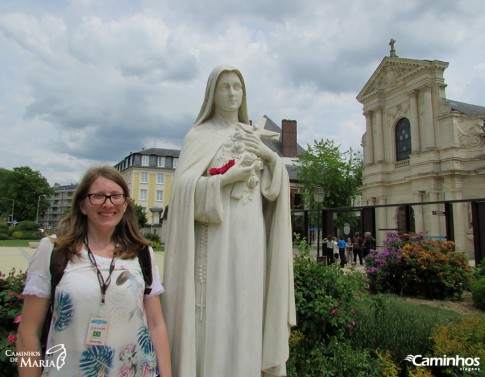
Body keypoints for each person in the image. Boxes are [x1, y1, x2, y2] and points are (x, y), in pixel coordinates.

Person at [161, 65, 296, 377]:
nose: (233, 93)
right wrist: (223, 180)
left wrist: (271, 157)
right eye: (225, 87)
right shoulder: (199, 136)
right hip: (214, 241)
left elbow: (274, 192)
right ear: (212, 93)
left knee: (248, 307)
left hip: (251, 238)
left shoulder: (253, 136)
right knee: (215, 313)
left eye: (238, 87)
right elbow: (181, 192)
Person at [16, 165, 172, 377]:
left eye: (116, 196)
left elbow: (155, 324)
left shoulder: (141, 253)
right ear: (82, 205)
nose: (108, 204)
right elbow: (28, 332)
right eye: (98, 196)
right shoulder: (53, 251)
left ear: (125, 204)